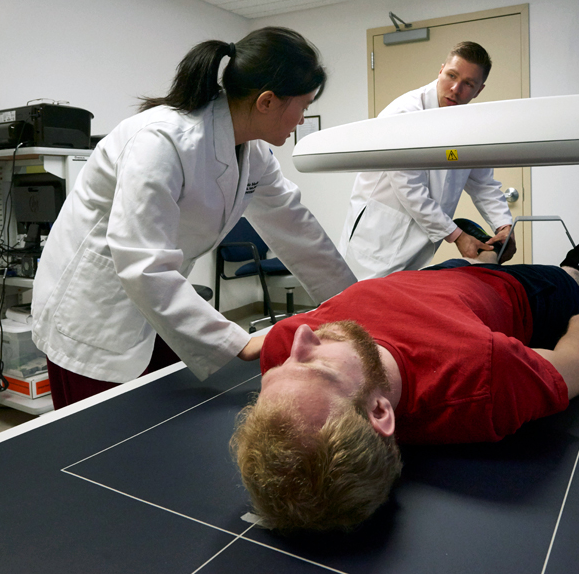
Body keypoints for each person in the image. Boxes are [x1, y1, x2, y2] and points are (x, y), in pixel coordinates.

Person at [231, 218, 579, 532]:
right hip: (510, 290)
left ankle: (488, 248)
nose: (301, 336)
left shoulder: (284, 345)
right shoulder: (477, 376)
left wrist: (298, 367)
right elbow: (569, 374)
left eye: (282, 369)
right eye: (317, 365)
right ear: (379, 410)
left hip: (426, 278)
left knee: (466, 258)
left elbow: (291, 359)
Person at [31, 27, 357, 409]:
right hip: (95, 312)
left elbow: (298, 231)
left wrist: (355, 306)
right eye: (303, 105)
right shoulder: (161, 140)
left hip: (159, 307)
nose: (302, 118)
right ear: (267, 101)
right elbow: (142, 262)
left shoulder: (253, 155)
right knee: (101, 435)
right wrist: (238, 341)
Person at [338, 41, 516, 280]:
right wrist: (457, 236)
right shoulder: (404, 114)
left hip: (420, 240)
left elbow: (483, 184)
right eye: (451, 75)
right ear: (441, 70)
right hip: (377, 238)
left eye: (468, 84)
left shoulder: (471, 127)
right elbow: (409, 188)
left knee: (400, 303)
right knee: (358, 304)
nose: (455, 88)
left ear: (479, 90)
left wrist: (504, 226)